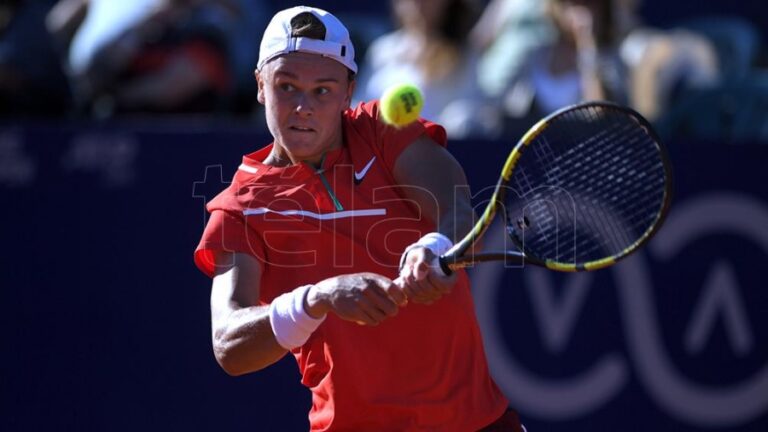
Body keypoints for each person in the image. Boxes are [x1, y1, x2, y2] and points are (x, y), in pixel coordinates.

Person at [193, 6, 523, 431]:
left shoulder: (384, 129)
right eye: (286, 86)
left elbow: (457, 208)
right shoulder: (239, 207)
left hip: (479, 423)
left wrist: (435, 247)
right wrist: (317, 298)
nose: (302, 108)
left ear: (349, 91)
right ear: (260, 85)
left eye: (322, 91)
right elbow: (228, 344)